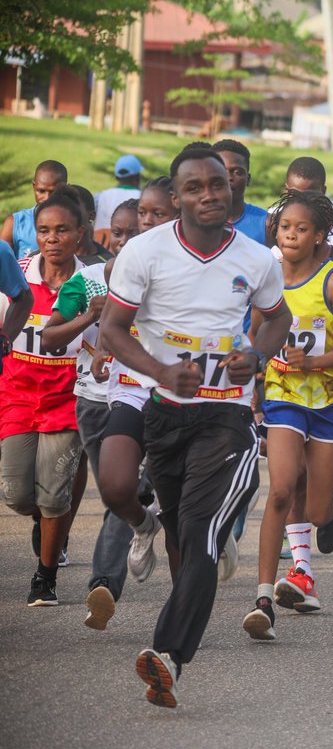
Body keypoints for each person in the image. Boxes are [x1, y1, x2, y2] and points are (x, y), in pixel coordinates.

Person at [103, 146, 291, 707]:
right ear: (177, 197)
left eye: (218, 184)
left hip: (227, 417)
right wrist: (160, 370)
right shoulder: (145, 251)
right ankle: (182, 623)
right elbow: (114, 330)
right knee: (185, 535)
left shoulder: (258, 259)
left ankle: (169, 656)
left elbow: (278, 316)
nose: (210, 194)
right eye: (195, 188)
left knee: (203, 530)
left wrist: (256, 356)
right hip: (165, 413)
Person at [243, 190, 333, 641]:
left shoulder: (331, 281)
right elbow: (256, 338)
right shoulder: (266, 277)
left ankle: (327, 506)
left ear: (318, 237)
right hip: (284, 395)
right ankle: (264, 599)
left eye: (302, 229)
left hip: (330, 399)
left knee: (316, 510)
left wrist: (313, 362)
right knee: (281, 489)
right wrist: (256, 382)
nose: (291, 234)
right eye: (285, 227)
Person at [75, 183, 179, 631]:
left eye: (158, 215)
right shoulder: (120, 266)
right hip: (129, 388)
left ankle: (179, 604)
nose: (148, 223)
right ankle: (137, 535)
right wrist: (101, 350)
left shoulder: (192, 263)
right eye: (145, 216)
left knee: (172, 497)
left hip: (183, 392)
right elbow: (111, 325)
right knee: (119, 490)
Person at [41, 196, 145, 626]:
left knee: (134, 489)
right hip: (96, 401)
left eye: (134, 234)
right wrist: (87, 317)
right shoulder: (86, 283)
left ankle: (102, 583)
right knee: (114, 492)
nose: (124, 242)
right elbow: (49, 338)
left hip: (149, 400)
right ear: (106, 236)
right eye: (117, 233)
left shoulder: (165, 283)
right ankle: (143, 523)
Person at [1, 189, 88, 606]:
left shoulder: (91, 282)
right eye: (43, 231)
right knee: (18, 494)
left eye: (62, 230)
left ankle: (45, 576)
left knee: (55, 493)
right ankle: (42, 517)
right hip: (17, 393)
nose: (51, 239)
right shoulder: (16, 273)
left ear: (80, 234)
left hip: (67, 398)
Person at [2, 160, 68, 259]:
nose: (47, 198)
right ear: (34, 186)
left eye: (53, 192)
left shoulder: (73, 223)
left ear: (65, 189)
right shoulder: (16, 223)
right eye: (41, 191)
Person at [211, 139, 270, 247]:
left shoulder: (266, 223)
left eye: (237, 172)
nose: (228, 178)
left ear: (248, 179)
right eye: (221, 170)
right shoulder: (193, 222)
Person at [94, 154, 143, 248]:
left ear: (116, 177)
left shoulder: (101, 196)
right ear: (137, 177)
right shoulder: (142, 197)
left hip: (100, 249)